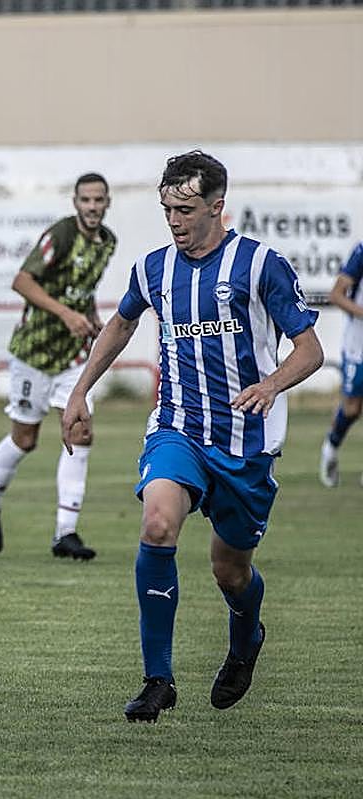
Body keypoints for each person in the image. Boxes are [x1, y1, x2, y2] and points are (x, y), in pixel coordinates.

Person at [61, 150, 323, 722]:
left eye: (185, 209)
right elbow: (122, 322)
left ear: (217, 207)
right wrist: (81, 390)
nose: (174, 220)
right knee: (157, 522)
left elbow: (310, 349)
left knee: (230, 570)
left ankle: (245, 634)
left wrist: (273, 384)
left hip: (246, 444)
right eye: (166, 209)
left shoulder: (260, 266)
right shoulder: (154, 269)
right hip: (178, 428)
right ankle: (158, 678)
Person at [0, 172, 117, 561]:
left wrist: (88, 319)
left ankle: (65, 533)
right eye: (85, 200)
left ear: (108, 203)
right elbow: (22, 281)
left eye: (98, 200)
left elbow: (82, 291)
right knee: (25, 439)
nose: (92, 207)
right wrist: (67, 314)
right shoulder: (62, 235)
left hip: (72, 356)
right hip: (34, 353)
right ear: (75, 203)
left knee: (80, 430)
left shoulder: (107, 243)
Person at [317, 241, 363, 487]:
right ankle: (331, 447)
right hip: (358, 345)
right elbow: (336, 294)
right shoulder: (362, 251)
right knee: (353, 407)